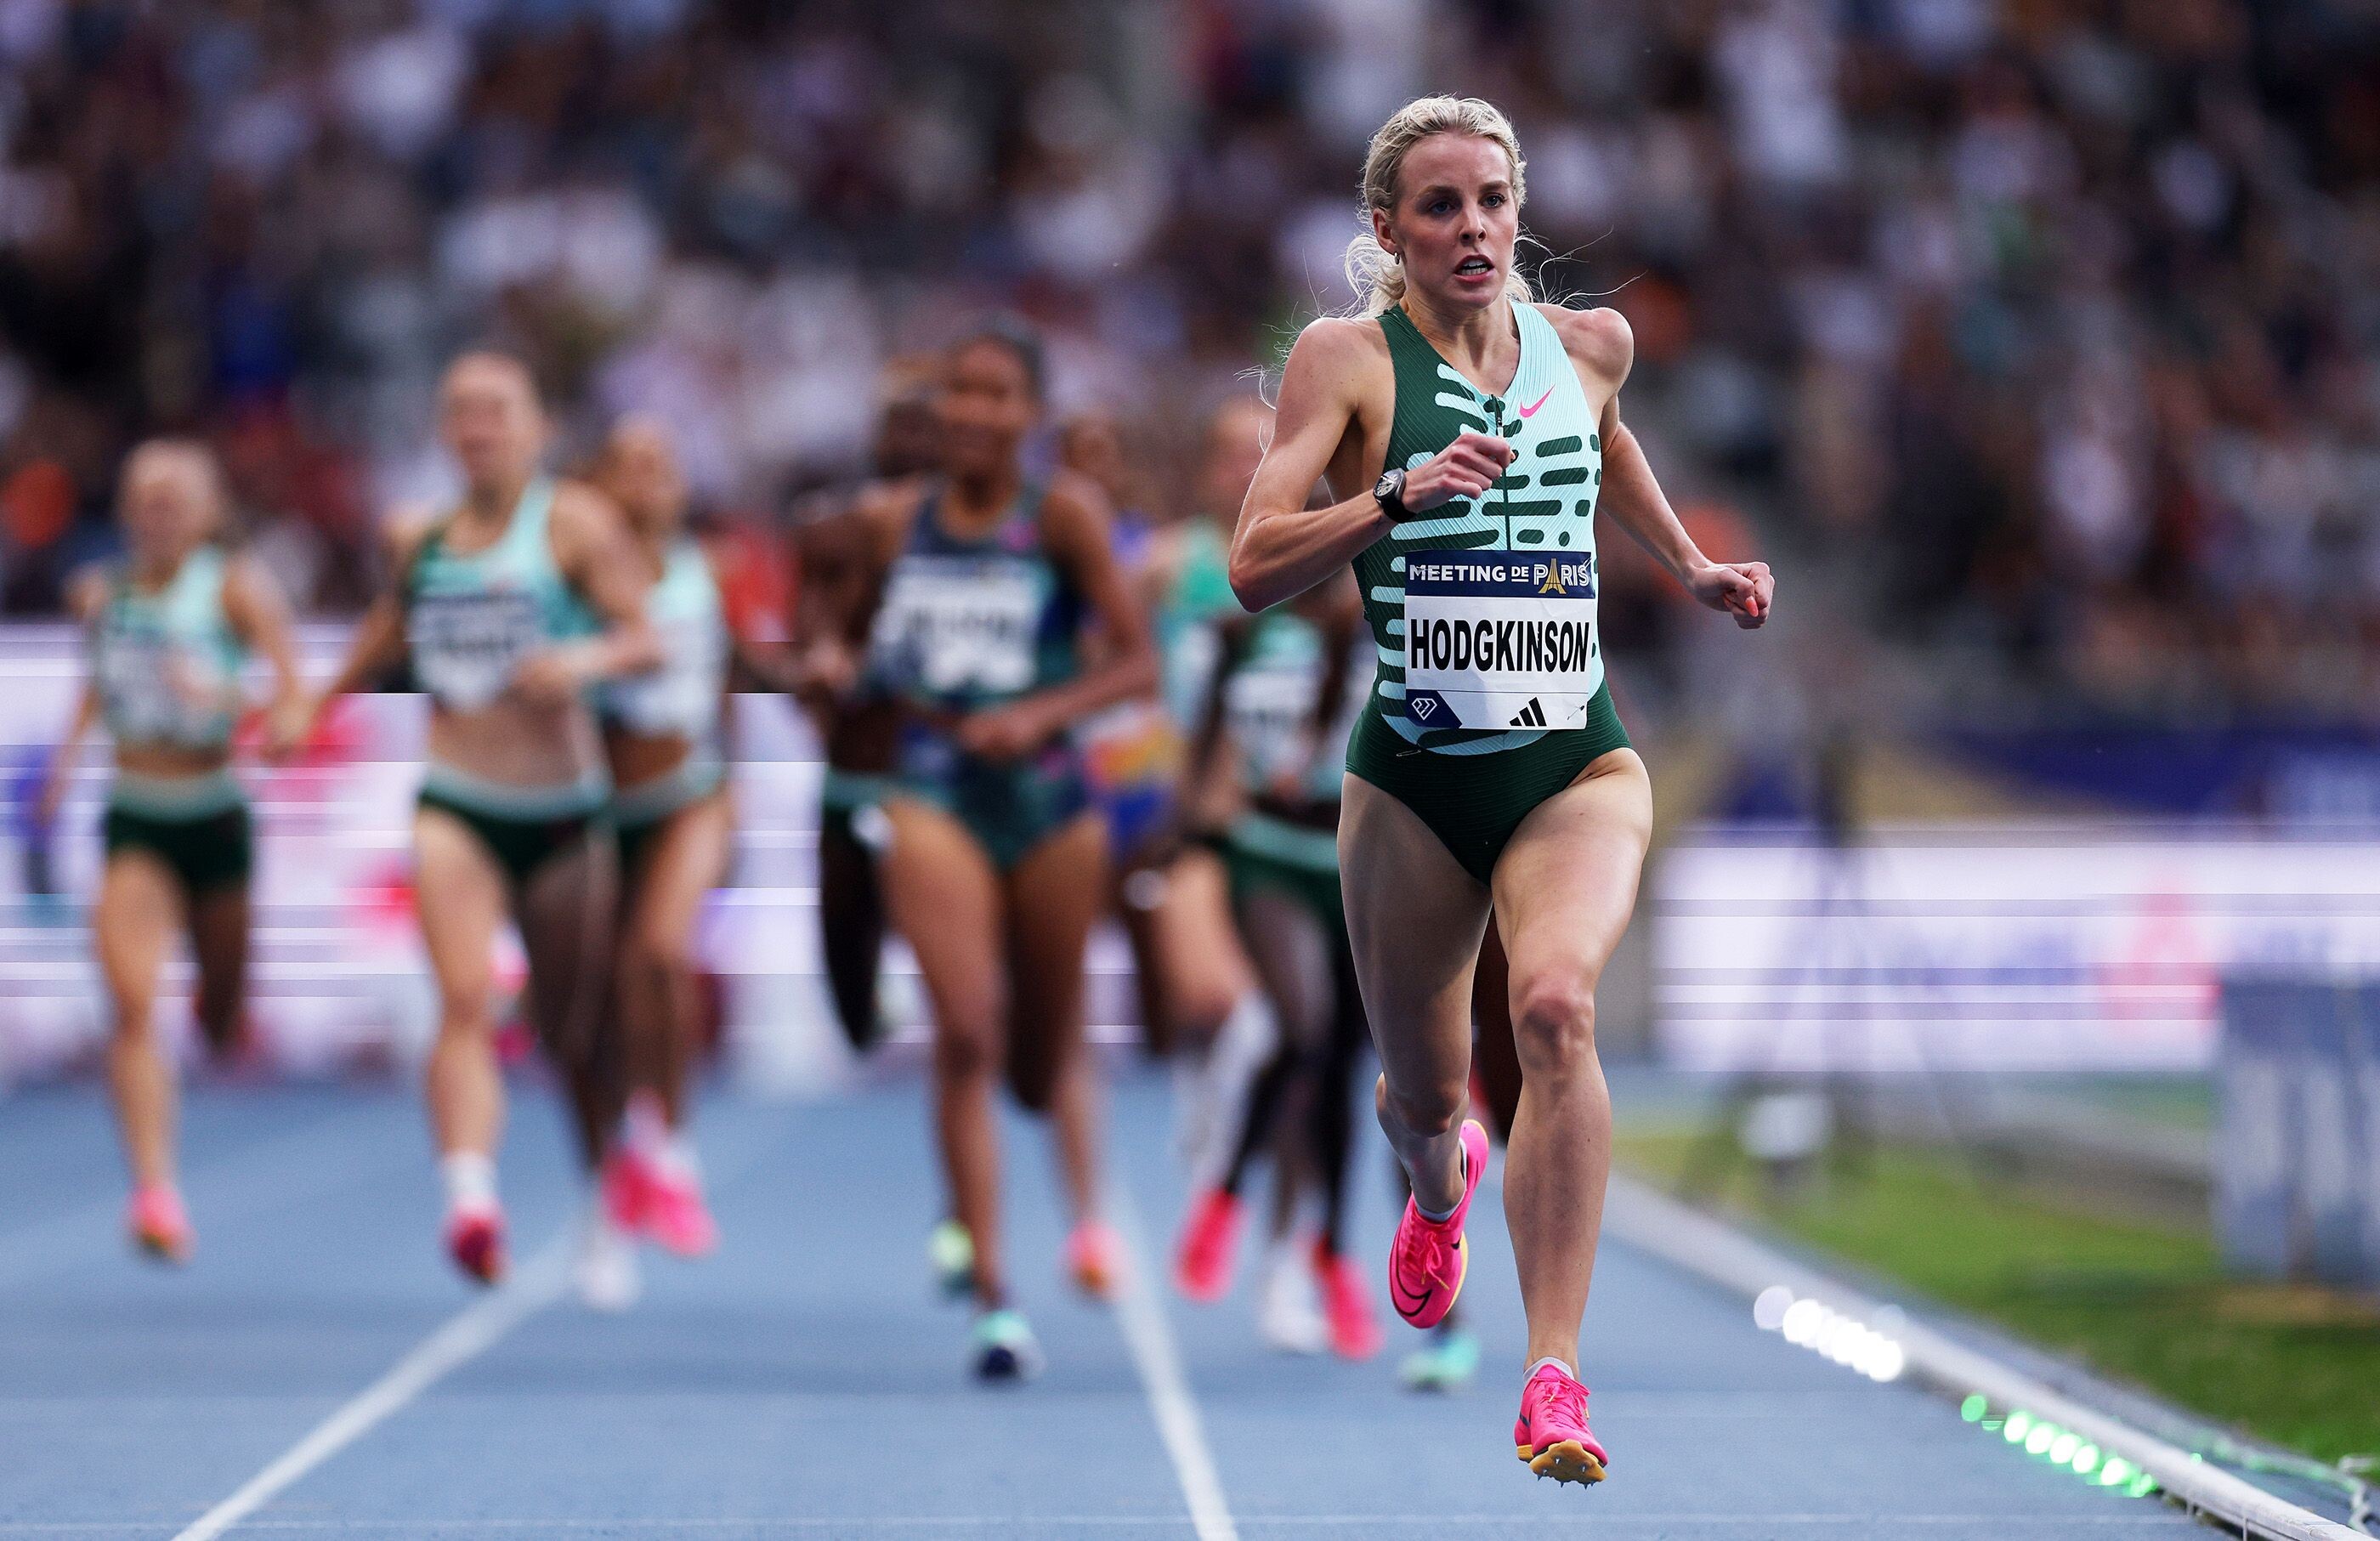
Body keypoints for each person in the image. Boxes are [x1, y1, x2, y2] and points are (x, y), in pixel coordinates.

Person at [1228, 96, 1775, 1484]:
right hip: (1412, 784)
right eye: (1439, 206)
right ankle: (1437, 1184)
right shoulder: (1347, 362)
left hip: (1570, 762)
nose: (1471, 227)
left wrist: (1688, 565)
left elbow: (1606, 437)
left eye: (1491, 200)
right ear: (1388, 229)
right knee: (1425, 1099)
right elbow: (1253, 561)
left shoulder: (1590, 345)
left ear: (1518, 211)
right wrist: (1393, 498)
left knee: (1552, 1010)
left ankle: (1553, 1370)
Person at [802, 320, 1156, 1380]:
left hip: (1047, 798)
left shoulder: (1060, 516)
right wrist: (827, 665)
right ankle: (995, 1296)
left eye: (996, 394)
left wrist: (1040, 714)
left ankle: (1042, 1169)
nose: (971, 411)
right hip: (932, 784)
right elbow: (847, 647)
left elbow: (1135, 665)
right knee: (964, 1030)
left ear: (1030, 413)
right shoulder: (889, 523)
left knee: (1038, 1072)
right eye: (959, 390)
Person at [275, 352, 660, 1306]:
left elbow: (646, 636)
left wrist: (581, 660)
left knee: (573, 1035)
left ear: (538, 428)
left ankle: (602, 1199)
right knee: (460, 1001)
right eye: (461, 411)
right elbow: (387, 627)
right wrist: (314, 701)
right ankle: (471, 1198)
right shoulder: (420, 535)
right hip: (456, 798)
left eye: (497, 409)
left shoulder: (574, 523)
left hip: (561, 811)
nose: (478, 426)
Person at [40, 441, 302, 1263]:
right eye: (145, 499)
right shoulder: (100, 594)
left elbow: (293, 703)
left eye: (174, 499)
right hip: (137, 814)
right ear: (125, 511)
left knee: (220, 1021)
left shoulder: (236, 588)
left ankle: (217, 1013)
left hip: (214, 814)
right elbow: (96, 684)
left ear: (208, 511)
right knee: (129, 1003)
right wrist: (65, 763)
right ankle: (155, 1189)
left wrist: (225, 696)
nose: (158, 514)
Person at [1171, 564, 1383, 1363]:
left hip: (1360, 865)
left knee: (1343, 1068)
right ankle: (1226, 1193)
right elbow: (1200, 752)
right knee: (1302, 1026)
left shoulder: (1383, 626)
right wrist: (1186, 832)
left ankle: (1333, 1252)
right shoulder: (1243, 633)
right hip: (1268, 858)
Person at [587, 416, 742, 1261]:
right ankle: (622, 1153)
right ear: (599, 483)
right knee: (600, 995)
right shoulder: (576, 572)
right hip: (597, 801)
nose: (645, 479)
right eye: (628, 464)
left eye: (660, 464)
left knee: (661, 952)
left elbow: (729, 679)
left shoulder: (703, 568)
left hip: (690, 791)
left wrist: (738, 789)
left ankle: (675, 1152)